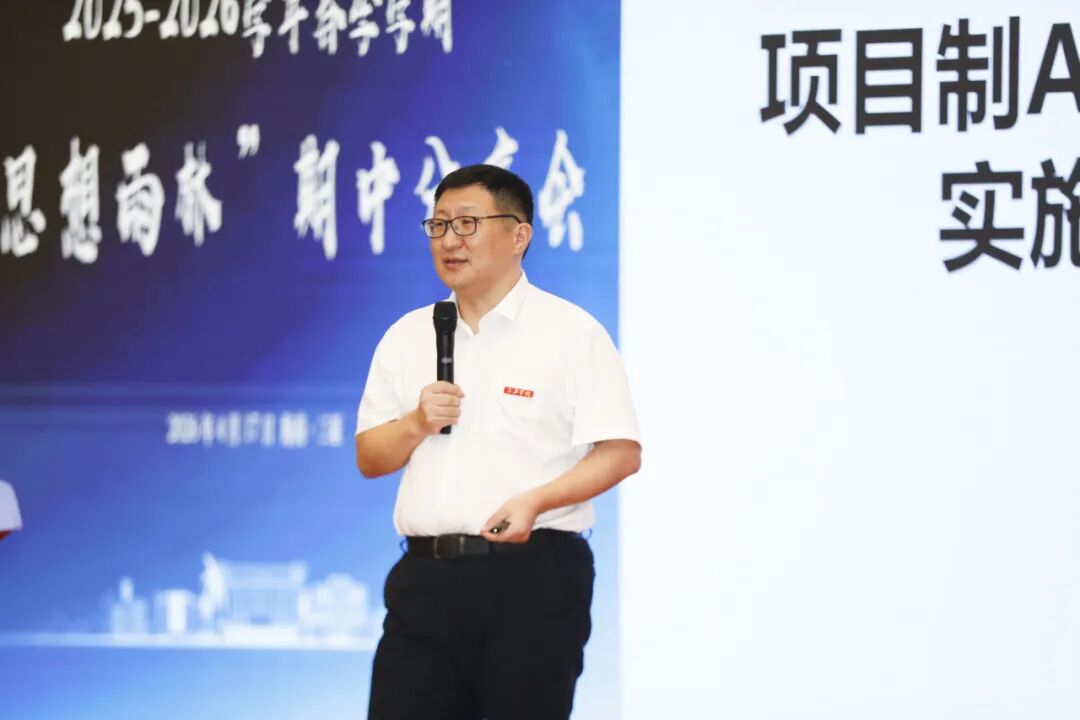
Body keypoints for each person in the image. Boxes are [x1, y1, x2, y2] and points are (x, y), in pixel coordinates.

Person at [355, 164, 641, 720]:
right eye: (438, 225)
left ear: (518, 235)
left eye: (467, 223)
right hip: (424, 580)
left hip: (533, 579)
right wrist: (416, 422)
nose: (449, 241)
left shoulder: (571, 333)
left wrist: (536, 501)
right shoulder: (407, 335)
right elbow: (370, 457)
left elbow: (621, 452)